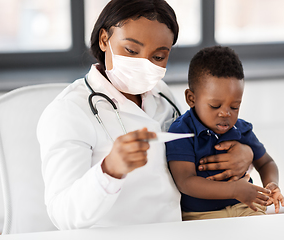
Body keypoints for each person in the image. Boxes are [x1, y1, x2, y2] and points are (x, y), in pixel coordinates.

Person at [37, 0, 257, 230]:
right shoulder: (69, 111)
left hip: (180, 228)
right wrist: (109, 170)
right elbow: (63, 214)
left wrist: (245, 153)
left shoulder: (162, 94)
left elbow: (194, 150)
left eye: (159, 57)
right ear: (104, 40)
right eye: (131, 51)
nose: (144, 64)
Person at [165, 46, 284, 221]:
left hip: (245, 206)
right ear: (191, 99)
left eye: (234, 106)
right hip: (201, 216)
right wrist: (235, 190)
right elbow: (185, 182)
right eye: (215, 106)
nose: (225, 113)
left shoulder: (241, 128)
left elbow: (266, 162)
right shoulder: (181, 131)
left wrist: (271, 184)